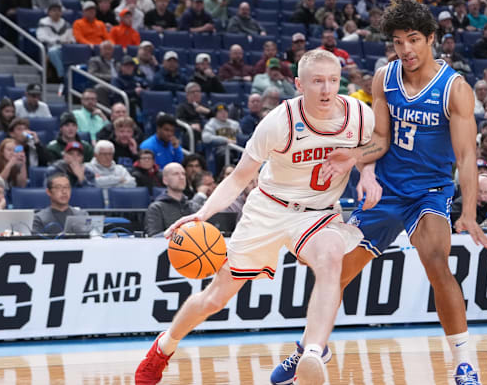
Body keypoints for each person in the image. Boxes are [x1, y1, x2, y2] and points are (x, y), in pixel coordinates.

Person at [270, 0, 487, 385]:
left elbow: (466, 155)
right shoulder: (384, 77)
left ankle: (464, 363)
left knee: (437, 262)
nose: (406, 49)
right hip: (385, 192)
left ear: (431, 39)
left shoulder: (455, 89)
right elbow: (381, 140)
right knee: (333, 271)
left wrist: (468, 211)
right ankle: (311, 347)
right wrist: (353, 157)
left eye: (414, 40)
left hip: (429, 192)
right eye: (398, 41)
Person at [135, 49, 376, 385]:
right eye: (317, 81)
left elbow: (376, 146)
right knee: (215, 298)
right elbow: (238, 177)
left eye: (333, 80)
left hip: (317, 214)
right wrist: (202, 215)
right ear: (298, 84)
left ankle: (311, 354)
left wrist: (364, 169)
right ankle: (163, 347)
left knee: (331, 257)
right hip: (269, 209)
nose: (326, 89)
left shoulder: (359, 115)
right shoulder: (278, 122)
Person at [143, 162, 200, 236]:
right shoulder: (156, 208)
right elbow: (153, 237)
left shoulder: (193, 206)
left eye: (183, 174)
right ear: (165, 180)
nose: (181, 177)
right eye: (176, 174)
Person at [37, 3, 75, 81]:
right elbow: (41, 37)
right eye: (54, 11)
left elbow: (72, 37)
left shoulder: (66, 24)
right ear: (49, 12)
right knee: (53, 52)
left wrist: (70, 41)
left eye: (58, 11)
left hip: (65, 47)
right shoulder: (43, 22)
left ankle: (73, 75)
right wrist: (57, 40)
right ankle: (62, 75)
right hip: (50, 46)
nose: (56, 13)